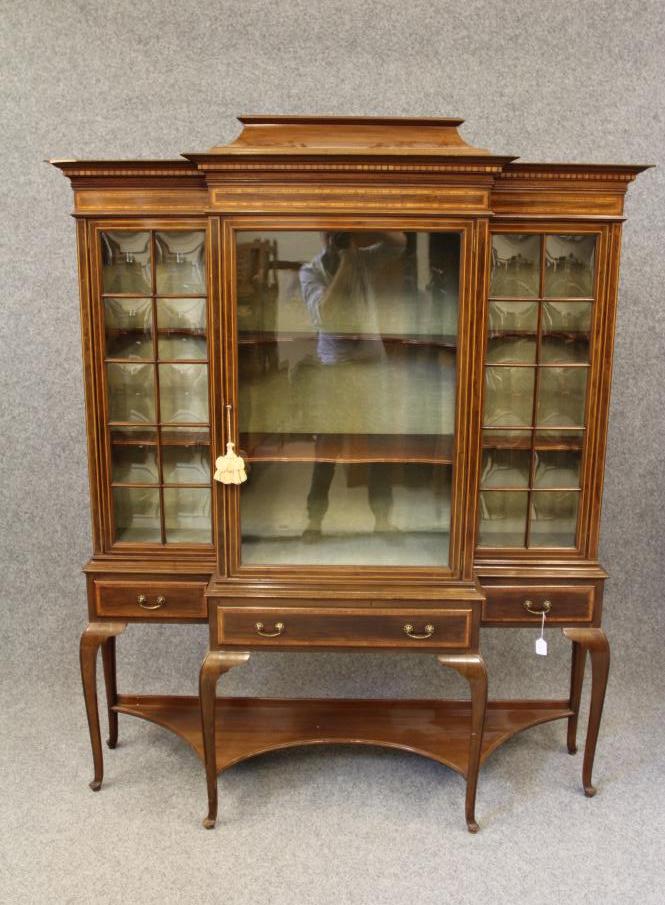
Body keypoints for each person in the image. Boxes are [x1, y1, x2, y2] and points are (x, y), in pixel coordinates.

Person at [298, 232, 407, 541]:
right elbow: (327, 314)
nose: (336, 236)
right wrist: (346, 260)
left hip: (372, 365)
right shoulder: (311, 272)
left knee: (380, 448)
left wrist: (363, 226)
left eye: (340, 229)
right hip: (337, 369)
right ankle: (315, 521)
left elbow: (399, 243)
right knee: (327, 448)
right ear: (321, 234)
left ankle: (383, 521)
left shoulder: (364, 258)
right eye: (330, 231)